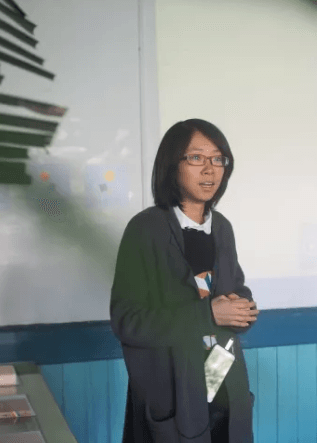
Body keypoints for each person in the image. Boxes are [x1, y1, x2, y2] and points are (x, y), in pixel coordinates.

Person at [110, 118, 260, 442]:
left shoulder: (222, 227)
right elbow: (127, 322)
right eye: (196, 158)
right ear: (172, 164)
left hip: (223, 384)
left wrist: (243, 308)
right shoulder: (145, 229)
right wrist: (210, 314)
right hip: (174, 398)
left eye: (217, 159)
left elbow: (233, 287)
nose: (209, 169)